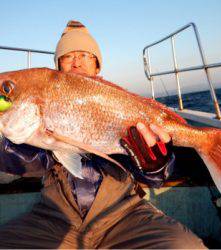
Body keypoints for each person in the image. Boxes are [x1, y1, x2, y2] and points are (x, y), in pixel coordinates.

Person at [0, 20, 206, 249]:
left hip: (122, 214)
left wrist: (156, 164)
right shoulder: (42, 111)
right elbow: (24, 161)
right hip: (55, 217)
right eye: (68, 56)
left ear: (98, 67)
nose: (76, 61)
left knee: (184, 246)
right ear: (58, 66)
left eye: (85, 55)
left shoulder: (121, 103)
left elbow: (155, 179)